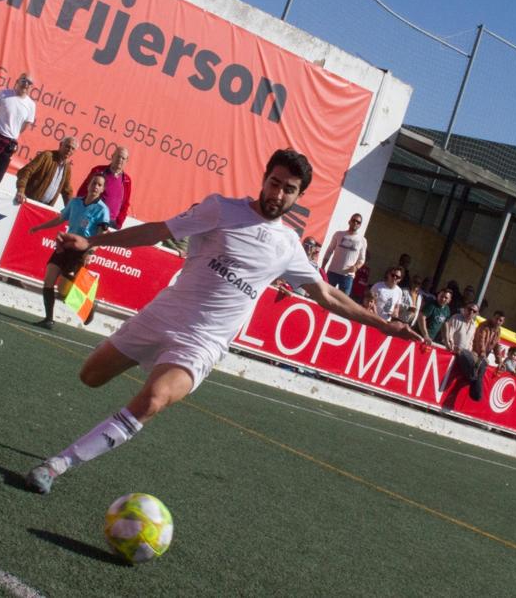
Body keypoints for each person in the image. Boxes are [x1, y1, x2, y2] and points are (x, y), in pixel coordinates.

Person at [23, 149, 423, 494]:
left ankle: (58, 465)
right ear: (264, 179)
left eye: (288, 189)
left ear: (299, 196)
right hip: (163, 315)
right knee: (90, 376)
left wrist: (382, 324)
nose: (277, 193)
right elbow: (157, 231)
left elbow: (328, 294)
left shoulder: (288, 247)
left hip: (204, 342)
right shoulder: (220, 208)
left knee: (153, 400)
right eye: (274, 182)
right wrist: (92, 242)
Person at [28, 175, 110, 329]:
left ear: (102, 189)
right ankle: (49, 319)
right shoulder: (75, 202)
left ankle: (89, 306)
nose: (96, 187)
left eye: (99, 185)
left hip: (81, 250)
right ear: (89, 185)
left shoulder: (102, 210)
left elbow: (102, 234)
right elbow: (60, 219)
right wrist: (40, 227)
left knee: (65, 290)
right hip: (65, 246)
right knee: (48, 280)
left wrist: (91, 252)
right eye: (94, 183)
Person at [0, 71, 36, 187]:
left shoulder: (31, 105)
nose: (26, 84)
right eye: (23, 80)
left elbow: (25, 125)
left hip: (8, 145)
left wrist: (12, 133)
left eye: (29, 83)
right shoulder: (3, 94)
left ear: (31, 87)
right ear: (17, 81)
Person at [75, 145, 133, 229]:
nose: (120, 160)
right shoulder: (98, 170)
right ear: (112, 157)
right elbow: (83, 192)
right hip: (91, 217)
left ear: (127, 161)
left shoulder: (127, 180)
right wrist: (82, 211)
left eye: (123, 158)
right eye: (118, 156)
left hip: (111, 223)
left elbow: (125, 204)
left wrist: (119, 222)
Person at [15, 136, 75, 206]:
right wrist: (21, 191)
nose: (69, 150)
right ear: (61, 145)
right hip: (28, 202)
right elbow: (26, 172)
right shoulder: (47, 156)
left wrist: (70, 209)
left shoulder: (67, 167)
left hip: (45, 208)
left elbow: (66, 190)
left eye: (72, 149)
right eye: (67, 146)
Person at [441, 302, 483, 399]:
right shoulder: (456, 318)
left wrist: (475, 353)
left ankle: (476, 385)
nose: (471, 312)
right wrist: (452, 345)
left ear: (476, 314)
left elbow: (471, 342)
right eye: (469, 309)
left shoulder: (473, 325)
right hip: (455, 350)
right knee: (468, 357)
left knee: (483, 362)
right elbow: (449, 335)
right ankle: (472, 380)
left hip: (466, 353)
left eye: (474, 311)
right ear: (465, 309)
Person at [320, 213, 367, 295]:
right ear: (349, 221)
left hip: (347, 276)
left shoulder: (362, 240)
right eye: (354, 220)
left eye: (358, 222)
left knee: (342, 302)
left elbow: (362, 259)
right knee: (325, 295)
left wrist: (356, 267)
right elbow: (329, 250)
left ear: (360, 225)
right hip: (332, 271)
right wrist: (323, 266)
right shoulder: (338, 234)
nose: (355, 223)